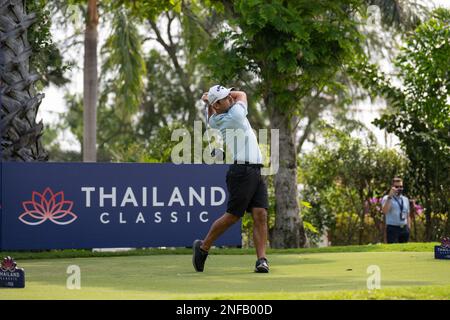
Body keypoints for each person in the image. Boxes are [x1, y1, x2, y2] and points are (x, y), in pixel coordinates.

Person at [192, 85, 270, 273]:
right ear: (219, 104)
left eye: (229, 96)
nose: (231, 98)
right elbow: (242, 93)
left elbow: (210, 117)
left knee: (261, 215)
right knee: (233, 216)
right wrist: (210, 99)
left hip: (254, 170)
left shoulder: (216, 119)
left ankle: (262, 260)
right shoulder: (235, 115)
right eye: (227, 97)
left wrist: (209, 101)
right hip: (242, 172)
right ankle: (203, 248)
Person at [381, 177, 411, 243]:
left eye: (401, 186)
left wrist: (408, 228)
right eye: (397, 187)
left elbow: (408, 215)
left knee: (404, 250)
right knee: (393, 250)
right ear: (392, 187)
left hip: (404, 228)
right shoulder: (386, 198)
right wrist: (390, 196)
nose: (399, 188)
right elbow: (384, 211)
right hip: (393, 229)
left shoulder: (405, 199)